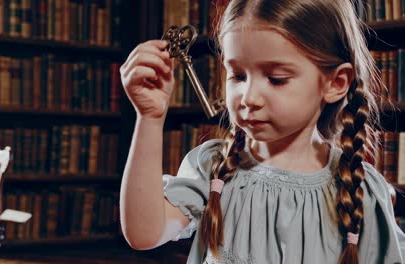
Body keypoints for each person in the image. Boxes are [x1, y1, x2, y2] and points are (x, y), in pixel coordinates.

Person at [119, 0, 405, 263]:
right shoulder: (214, 169)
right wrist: (149, 119)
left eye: (276, 79)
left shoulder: (360, 190)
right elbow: (144, 234)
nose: (248, 98)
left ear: (336, 83)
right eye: (238, 76)